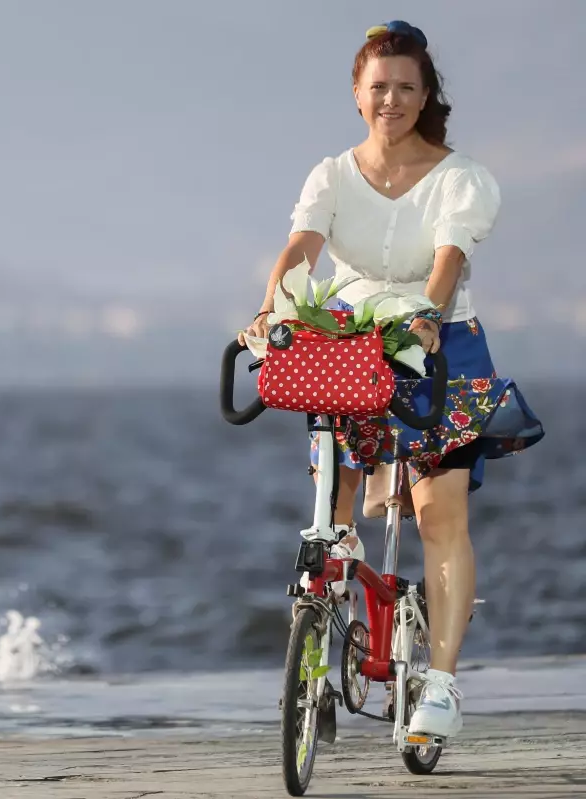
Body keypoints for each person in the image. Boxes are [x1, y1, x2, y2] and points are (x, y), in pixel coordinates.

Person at [240, 21, 544, 740]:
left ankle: (440, 682)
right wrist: (269, 309)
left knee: (441, 513)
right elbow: (300, 247)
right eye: (379, 87)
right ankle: (320, 640)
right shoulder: (332, 175)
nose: (392, 100)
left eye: (407, 87)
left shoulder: (460, 177)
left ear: (426, 93)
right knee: (330, 510)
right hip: (349, 346)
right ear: (356, 92)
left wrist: (428, 319)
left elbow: (447, 262)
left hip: (440, 346)